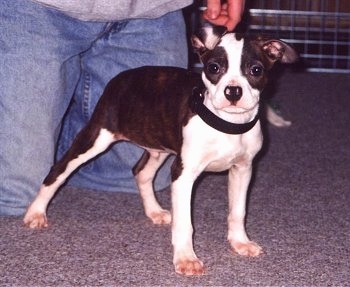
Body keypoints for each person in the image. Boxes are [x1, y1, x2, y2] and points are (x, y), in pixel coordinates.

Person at [0, 0, 245, 216]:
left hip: (151, 11)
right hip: (42, 7)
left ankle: (65, 108)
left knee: (136, 172)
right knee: (17, 195)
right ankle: (58, 110)